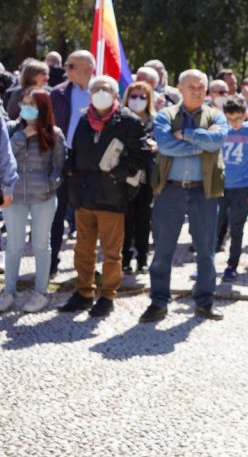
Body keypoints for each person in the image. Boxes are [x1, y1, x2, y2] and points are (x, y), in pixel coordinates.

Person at [140, 70, 229, 323]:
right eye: (192, 87)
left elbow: (218, 140)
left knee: (206, 251)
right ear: (179, 88)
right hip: (170, 190)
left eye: (201, 87)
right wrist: (202, 142)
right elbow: (165, 145)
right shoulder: (166, 116)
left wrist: (187, 135)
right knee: (162, 251)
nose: (197, 91)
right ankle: (158, 302)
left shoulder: (217, 116)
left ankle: (205, 302)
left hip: (205, 191)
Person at [59, 75, 148, 319]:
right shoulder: (84, 120)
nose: (101, 93)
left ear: (116, 94)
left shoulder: (129, 121)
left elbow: (140, 155)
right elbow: (74, 150)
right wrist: (70, 169)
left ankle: (107, 295)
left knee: (111, 252)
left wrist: (116, 175)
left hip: (111, 197)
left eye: (106, 89)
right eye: (96, 89)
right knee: (83, 250)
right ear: (90, 95)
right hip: (84, 195)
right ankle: (84, 292)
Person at [1, 89, 66, 313]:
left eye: (32, 104)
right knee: (14, 246)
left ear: (43, 108)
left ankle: (41, 291)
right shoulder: (11, 129)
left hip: (43, 197)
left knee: (41, 245)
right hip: (15, 196)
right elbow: (5, 155)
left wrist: (51, 183)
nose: (26, 108)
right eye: (24, 103)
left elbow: (59, 165)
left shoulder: (55, 133)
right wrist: (23, 135)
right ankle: (8, 291)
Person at [47, 50, 95, 275]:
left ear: (88, 69)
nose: (66, 69)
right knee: (57, 213)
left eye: (71, 66)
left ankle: (86, 267)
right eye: (67, 65)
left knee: (89, 214)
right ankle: (51, 263)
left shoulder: (103, 91)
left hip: (92, 163)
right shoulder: (58, 93)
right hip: (63, 158)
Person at [219, 95, 248, 281]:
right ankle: (207, 265)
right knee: (215, 228)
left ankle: (232, 265)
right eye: (229, 119)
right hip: (221, 188)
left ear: (245, 115)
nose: (234, 123)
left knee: (236, 229)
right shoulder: (221, 131)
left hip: (242, 189)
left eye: (237, 118)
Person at [122, 81, 159, 274]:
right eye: (133, 96)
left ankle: (142, 259)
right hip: (125, 177)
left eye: (142, 97)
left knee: (144, 220)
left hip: (147, 178)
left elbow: (163, 144)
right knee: (126, 220)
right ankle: (125, 259)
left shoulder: (156, 120)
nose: (137, 101)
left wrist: (156, 146)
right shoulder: (121, 119)